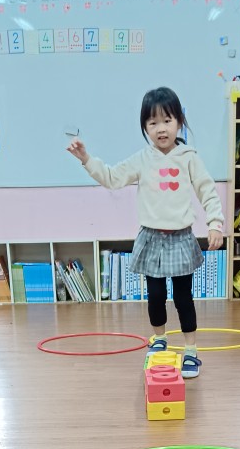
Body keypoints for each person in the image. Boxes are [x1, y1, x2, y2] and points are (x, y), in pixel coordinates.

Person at [67, 86, 224, 379]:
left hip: (180, 238)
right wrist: (86, 159)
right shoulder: (142, 159)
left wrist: (215, 223)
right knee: (155, 295)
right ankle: (159, 338)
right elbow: (112, 178)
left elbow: (207, 191)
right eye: (153, 123)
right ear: (145, 128)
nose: (161, 128)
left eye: (167, 120)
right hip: (151, 237)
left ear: (179, 122)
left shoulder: (189, 157)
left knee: (183, 297)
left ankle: (191, 350)